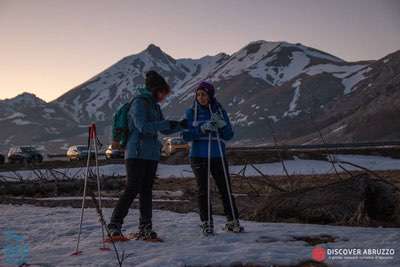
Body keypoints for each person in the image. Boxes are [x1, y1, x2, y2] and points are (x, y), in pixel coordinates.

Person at [108, 70, 186, 240]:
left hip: (151, 154)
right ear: (154, 90)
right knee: (132, 188)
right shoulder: (139, 103)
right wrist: (165, 123)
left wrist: (180, 125)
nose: (163, 97)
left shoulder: (155, 106)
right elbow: (142, 126)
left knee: (146, 191)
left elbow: (163, 128)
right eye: (162, 93)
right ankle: (114, 225)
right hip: (135, 152)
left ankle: (145, 228)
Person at [182, 81, 243, 235]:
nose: (200, 97)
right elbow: (185, 135)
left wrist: (222, 126)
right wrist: (202, 129)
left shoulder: (220, 112)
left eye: (203, 94)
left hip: (218, 155)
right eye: (198, 95)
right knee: (203, 190)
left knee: (225, 188)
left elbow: (228, 135)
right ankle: (206, 222)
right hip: (198, 156)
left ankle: (233, 221)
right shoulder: (190, 113)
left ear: (210, 95)